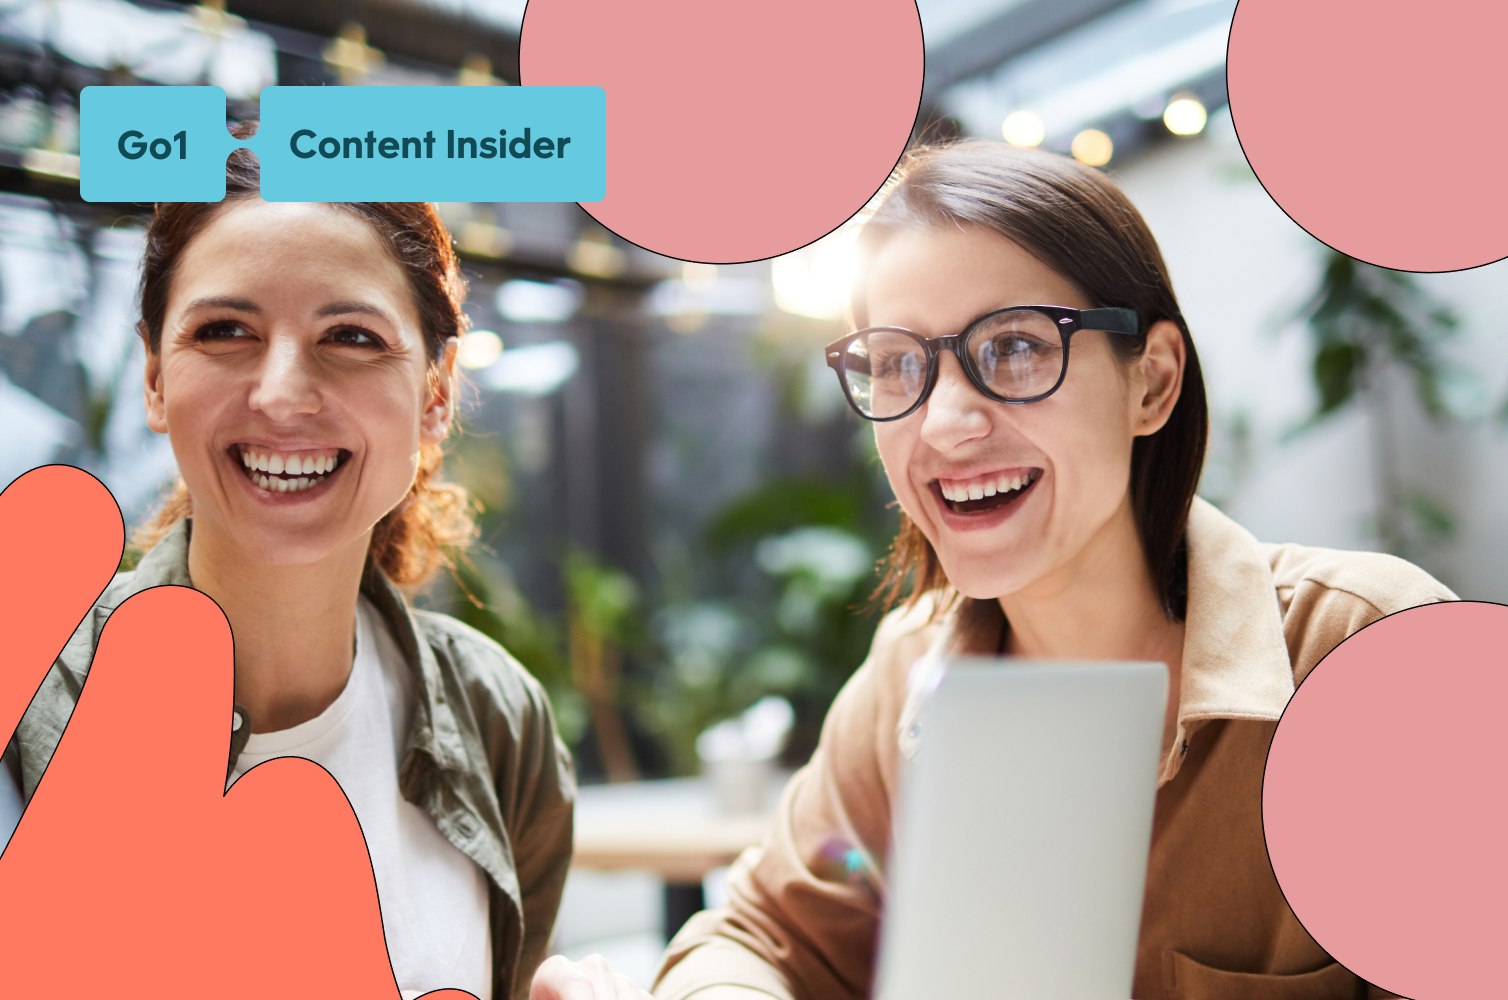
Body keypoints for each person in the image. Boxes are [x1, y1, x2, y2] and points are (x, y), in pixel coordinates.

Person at [650, 140, 1455, 1000]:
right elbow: (761, 935)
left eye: (1015, 349)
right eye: (896, 363)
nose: (946, 423)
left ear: (1151, 382)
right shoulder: (910, 675)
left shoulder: (1365, 649)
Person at [1, 142, 578, 1000]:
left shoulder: (499, 722)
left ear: (434, 393)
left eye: (350, 336)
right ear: (156, 375)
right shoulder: (29, 689)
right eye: (225, 331)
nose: (280, 393)